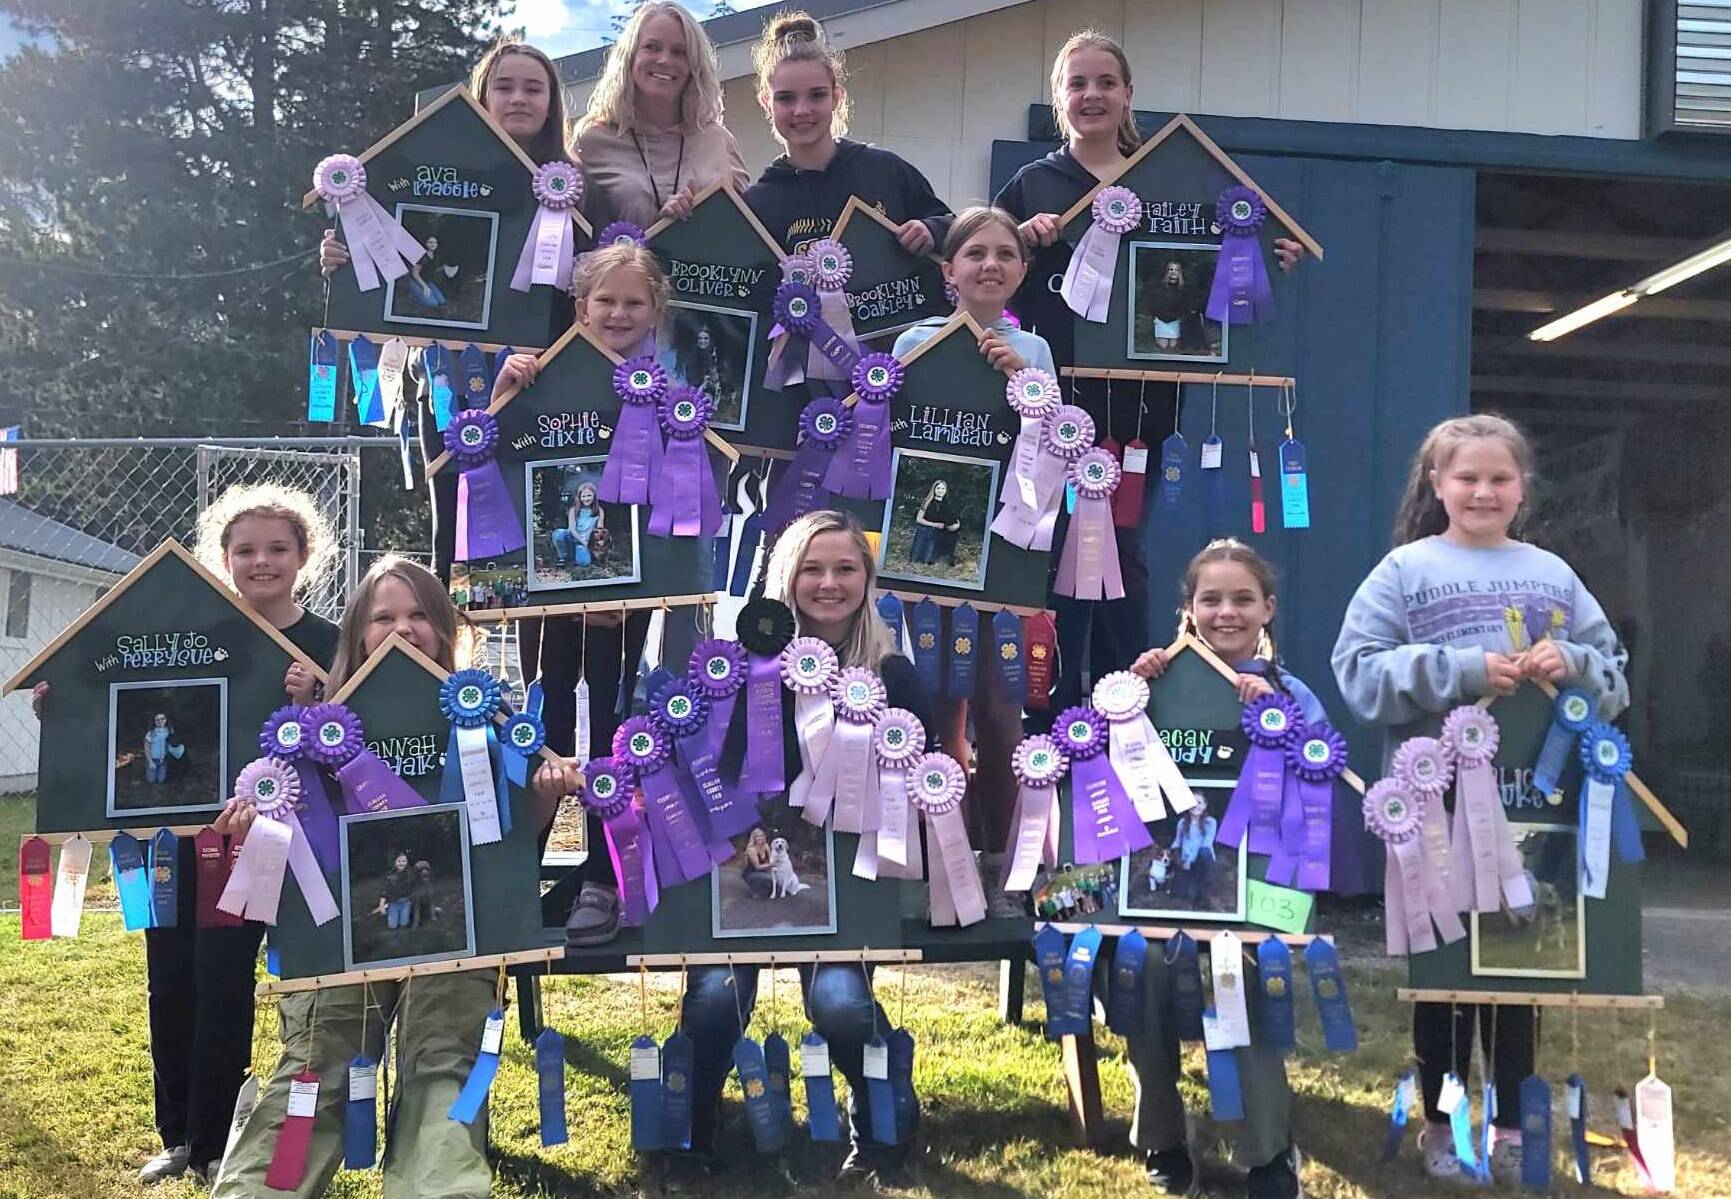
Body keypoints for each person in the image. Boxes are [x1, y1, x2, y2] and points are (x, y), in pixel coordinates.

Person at [212, 556, 579, 1198]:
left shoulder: (483, 720)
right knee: (315, 1069)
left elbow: (511, 840)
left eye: (419, 616)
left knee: (442, 1062)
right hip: (341, 938)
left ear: (444, 630)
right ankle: (261, 1190)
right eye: (384, 617)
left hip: (454, 938)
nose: (402, 629)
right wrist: (256, 831)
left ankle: (439, 1188)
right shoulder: (308, 737)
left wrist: (544, 795)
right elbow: (283, 871)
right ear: (356, 635)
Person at [1331, 413, 1629, 1184]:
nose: (1482, 491)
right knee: (1443, 974)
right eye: (1465, 477)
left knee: (1514, 966)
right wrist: (1457, 670)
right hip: (1432, 811)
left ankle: (1504, 1125)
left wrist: (1573, 660)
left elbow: (1613, 674)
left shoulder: (1555, 574)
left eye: (1499, 478)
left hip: (1530, 804)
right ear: (1436, 484)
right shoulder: (1401, 571)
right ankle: (1439, 1123)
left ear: (1520, 487)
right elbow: (1357, 671)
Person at [29, 486, 340, 1185]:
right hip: (166, 843)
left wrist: (317, 699)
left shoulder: (325, 646)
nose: (261, 561)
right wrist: (66, 701)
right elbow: (112, 696)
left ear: (303, 556)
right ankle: (176, 1135)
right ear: (223, 559)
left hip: (261, 845)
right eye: (246, 550)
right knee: (168, 980)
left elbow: (349, 747)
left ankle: (212, 1143)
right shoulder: (189, 627)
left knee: (223, 980)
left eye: (277, 548)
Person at [996, 30, 1304, 719]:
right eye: (1076, 84)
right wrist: (1021, 238)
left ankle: (1118, 711)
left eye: (1105, 82)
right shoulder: (1032, 185)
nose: (1091, 95)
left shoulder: (1176, 178)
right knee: (1046, 559)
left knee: (1120, 557)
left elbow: (1223, 270)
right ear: (1058, 99)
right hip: (1053, 410)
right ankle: (1044, 717)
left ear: (1128, 94)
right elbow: (983, 267)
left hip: (1141, 415)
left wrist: (1264, 258)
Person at [675, 510, 937, 1185]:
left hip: (845, 886)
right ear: (783, 578)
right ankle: (688, 1133)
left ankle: (882, 1127)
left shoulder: (895, 677)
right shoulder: (734, 671)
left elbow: (919, 787)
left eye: (845, 568)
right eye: (811, 568)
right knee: (712, 998)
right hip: (741, 874)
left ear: (867, 578)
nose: (827, 583)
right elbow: (704, 773)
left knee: (842, 1003)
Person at [320, 39, 577, 584]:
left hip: (540, 377)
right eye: (504, 86)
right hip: (443, 379)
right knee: (452, 530)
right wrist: (341, 258)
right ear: (483, 95)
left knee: (538, 528)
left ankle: (537, 668)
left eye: (534, 88)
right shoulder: (427, 168)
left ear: (553, 103)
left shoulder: (570, 185)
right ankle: (449, 660)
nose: (518, 99)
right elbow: (384, 261)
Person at [1124, 538, 1316, 1198]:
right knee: (1139, 967)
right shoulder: (1146, 688)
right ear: (1188, 609)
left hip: (1254, 898)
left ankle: (1266, 1151)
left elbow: (1316, 785)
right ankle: (1162, 1137)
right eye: (1210, 599)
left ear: (1268, 608)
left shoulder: (1291, 695)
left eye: (1242, 599)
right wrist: (1130, 690)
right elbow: (1097, 769)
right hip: (1157, 896)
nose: (1225, 612)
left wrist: (1278, 718)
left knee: (1246, 973)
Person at [499, 241, 669, 945]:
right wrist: (505, 392)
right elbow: (495, 456)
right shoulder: (541, 376)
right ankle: (512, 874)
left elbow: (681, 495)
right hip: (548, 603)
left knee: (613, 738)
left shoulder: (665, 390)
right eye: (606, 300)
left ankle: (603, 877)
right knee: (542, 735)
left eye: (634, 301)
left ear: (655, 311)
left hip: (624, 613)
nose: (619, 312)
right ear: (581, 308)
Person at [893, 205, 1054, 885]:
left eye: (1005, 255)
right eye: (975, 254)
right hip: (928, 536)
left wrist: (1023, 378)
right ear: (947, 270)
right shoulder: (912, 342)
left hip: (1008, 539)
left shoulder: (1037, 349)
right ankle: (940, 855)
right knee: (939, 695)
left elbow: (1051, 445)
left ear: (1021, 271)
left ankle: (1001, 859)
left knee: (998, 697)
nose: (990, 264)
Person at [744, 12, 951, 259]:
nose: (801, 110)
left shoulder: (886, 171)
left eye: (817, 95)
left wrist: (931, 230)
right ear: (767, 103)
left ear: (836, 97)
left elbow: (959, 230)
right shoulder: (757, 204)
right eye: (786, 98)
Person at [576, 1, 749, 230]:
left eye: (679, 52)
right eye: (652, 47)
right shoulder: (593, 141)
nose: (665, 60)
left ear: (694, 66)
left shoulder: (719, 141)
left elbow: (745, 231)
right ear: (630, 57)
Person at [552, 481, 605, 568]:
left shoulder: (599, 511)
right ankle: (564, 557)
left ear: (594, 496)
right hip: (574, 538)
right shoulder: (573, 510)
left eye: (589, 496)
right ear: (580, 497)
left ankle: (579, 556)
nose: (586, 499)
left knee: (584, 562)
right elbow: (572, 529)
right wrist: (583, 542)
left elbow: (599, 530)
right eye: (583, 496)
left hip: (587, 541)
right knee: (559, 534)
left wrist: (593, 544)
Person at [909, 480, 958, 564]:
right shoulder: (927, 502)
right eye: (938, 488)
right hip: (924, 531)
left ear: (946, 491)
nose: (940, 490)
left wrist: (956, 525)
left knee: (928, 561)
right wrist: (934, 524)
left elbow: (950, 519)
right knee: (915, 559)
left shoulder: (946, 504)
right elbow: (919, 519)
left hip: (937, 534)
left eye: (943, 488)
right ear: (934, 489)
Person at [378, 851, 415, 928]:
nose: (401, 863)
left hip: (405, 903)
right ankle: (388, 908)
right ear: (394, 862)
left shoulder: (410, 875)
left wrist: (411, 899)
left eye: (404, 861)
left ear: (407, 862)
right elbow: (384, 891)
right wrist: (381, 905)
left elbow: (413, 888)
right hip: (393, 903)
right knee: (392, 926)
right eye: (399, 861)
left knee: (404, 924)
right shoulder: (389, 876)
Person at [740, 826, 774, 899]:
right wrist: (771, 865)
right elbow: (757, 867)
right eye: (757, 836)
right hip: (751, 873)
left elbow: (771, 859)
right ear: (754, 838)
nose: (760, 838)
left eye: (761, 836)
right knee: (770, 878)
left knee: (777, 879)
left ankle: (764, 890)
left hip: (763, 872)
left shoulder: (766, 846)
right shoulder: (751, 849)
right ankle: (755, 891)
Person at [143, 713, 174, 783]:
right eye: (157, 720)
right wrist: (150, 761)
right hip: (153, 759)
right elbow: (146, 748)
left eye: (162, 719)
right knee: (151, 780)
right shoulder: (151, 733)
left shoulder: (169, 731)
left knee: (161, 780)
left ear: (166, 720)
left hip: (163, 760)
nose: (160, 721)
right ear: (154, 722)